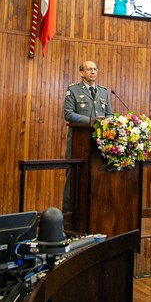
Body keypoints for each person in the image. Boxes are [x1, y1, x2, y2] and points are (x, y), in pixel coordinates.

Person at [62, 61, 113, 210]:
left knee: (98, 177)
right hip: (79, 142)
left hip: (99, 142)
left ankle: (93, 212)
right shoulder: (73, 90)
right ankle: (68, 213)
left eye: (95, 69)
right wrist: (91, 121)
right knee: (73, 177)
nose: (93, 72)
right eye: (89, 69)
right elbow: (69, 114)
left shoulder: (103, 92)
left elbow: (109, 114)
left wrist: (108, 121)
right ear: (81, 73)